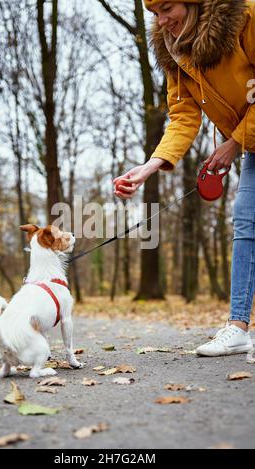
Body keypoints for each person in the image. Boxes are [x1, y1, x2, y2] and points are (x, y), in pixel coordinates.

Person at [114, 0, 255, 356]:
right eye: (155, 14)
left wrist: (233, 142)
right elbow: (183, 116)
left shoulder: (246, 18)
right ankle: (238, 327)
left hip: (246, 138)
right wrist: (149, 166)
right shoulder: (176, 53)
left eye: (167, 8)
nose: (162, 21)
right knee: (246, 224)